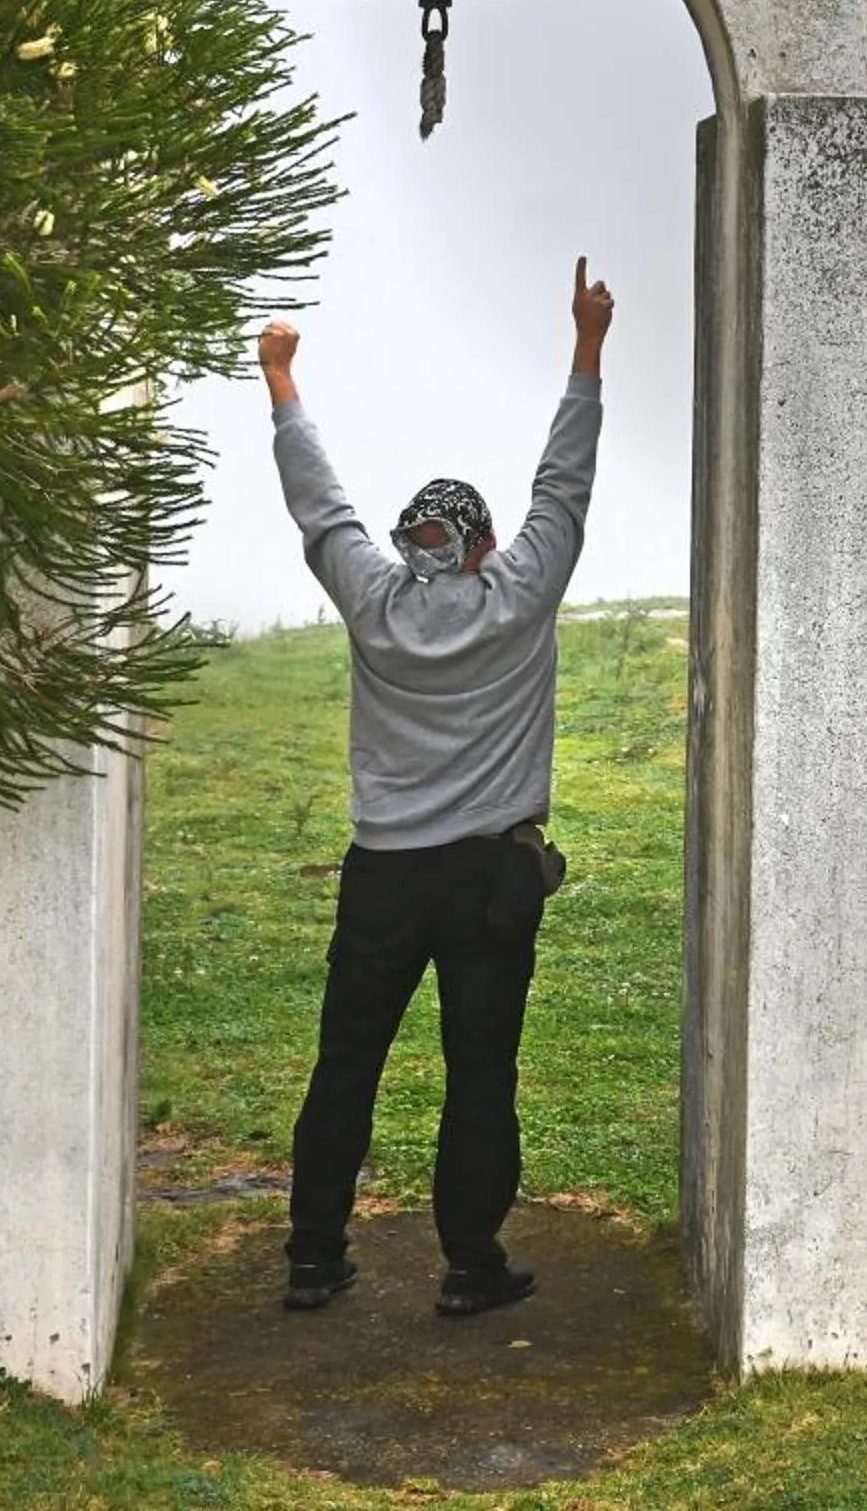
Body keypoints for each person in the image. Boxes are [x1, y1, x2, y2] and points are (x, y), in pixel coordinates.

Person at [258, 257, 614, 1317]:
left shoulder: (374, 599)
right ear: (487, 545)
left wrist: (280, 379)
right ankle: (470, 1260)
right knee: (479, 1068)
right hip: (487, 880)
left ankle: (315, 1254)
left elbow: (320, 505)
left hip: (382, 872)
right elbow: (566, 480)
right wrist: (587, 341)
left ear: (409, 548)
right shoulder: (519, 593)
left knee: (347, 1061)